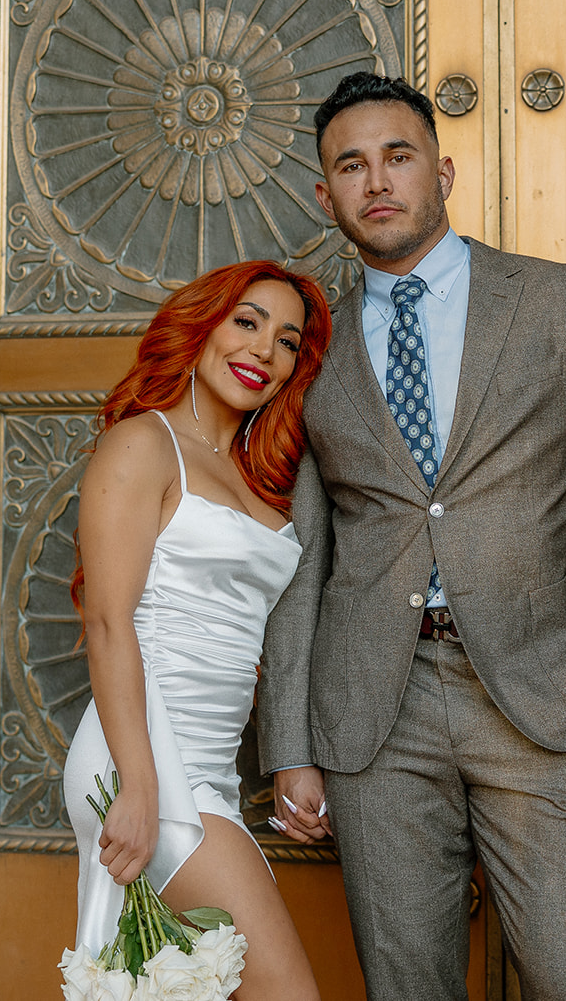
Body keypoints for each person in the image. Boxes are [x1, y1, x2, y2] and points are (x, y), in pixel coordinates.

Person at [258, 73, 566, 1000]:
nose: (377, 180)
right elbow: (305, 550)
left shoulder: (565, 303)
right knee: (407, 985)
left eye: (398, 156)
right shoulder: (308, 342)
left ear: (442, 170)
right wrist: (290, 738)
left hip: (549, 690)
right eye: (351, 165)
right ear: (325, 194)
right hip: (376, 710)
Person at [63, 260, 333, 1000]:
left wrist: (295, 759)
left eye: (286, 340)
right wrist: (140, 785)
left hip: (211, 767)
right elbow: (110, 623)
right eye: (246, 322)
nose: (263, 351)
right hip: (141, 754)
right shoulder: (142, 444)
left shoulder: (259, 472)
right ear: (204, 324)